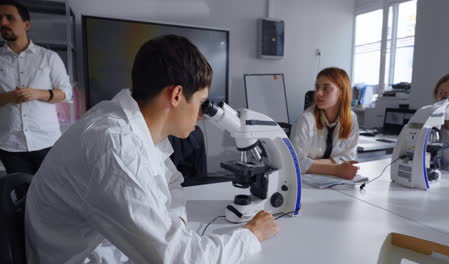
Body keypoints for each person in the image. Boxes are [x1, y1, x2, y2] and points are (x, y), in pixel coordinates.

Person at [25, 35, 279, 263]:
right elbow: (183, 260)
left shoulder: (127, 122)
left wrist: (174, 225)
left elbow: (171, 183)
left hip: (105, 244)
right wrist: (250, 235)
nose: (201, 115)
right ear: (177, 95)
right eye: (201, 103)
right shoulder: (115, 146)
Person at [0, 0, 72, 174]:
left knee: (51, 193)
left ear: (26, 24)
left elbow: (67, 93)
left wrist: (37, 93)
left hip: (47, 142)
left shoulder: (49, 57)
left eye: (10, 18)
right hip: (10, 146)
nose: (3, 23)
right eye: (0, 18)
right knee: (21, 195)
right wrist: (9, 97)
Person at [290, 67, 360, 180]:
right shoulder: (305, 120)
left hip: (335, 182)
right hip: (305, 183)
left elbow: (348, 158)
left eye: (326, 89)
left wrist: (312, 164)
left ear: (342, 92)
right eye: (317, 87)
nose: (318, 93)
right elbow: (294, 162)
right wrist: (335, 169)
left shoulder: (351, 118)